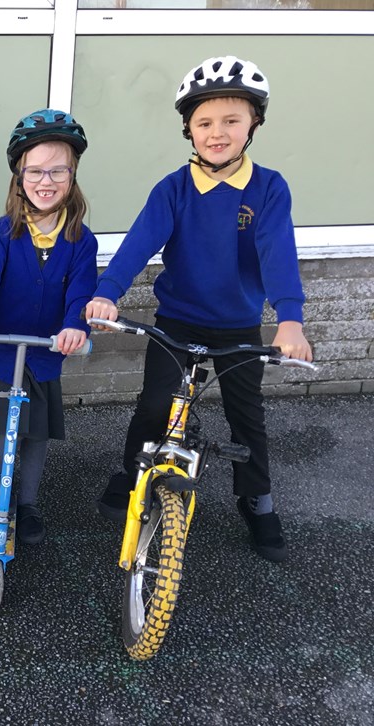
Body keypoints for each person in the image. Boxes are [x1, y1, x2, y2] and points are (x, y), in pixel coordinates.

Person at [85, 56, 313, 562]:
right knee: (154, 403)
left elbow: (278, 253)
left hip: (237, 323)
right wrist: (107, 291)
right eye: (205, 122)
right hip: (179, 319)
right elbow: (137, 244)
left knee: (246, 415)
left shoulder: (268, 188)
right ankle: (133, 474)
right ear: (188, 128)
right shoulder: (174, 189)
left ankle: (256, 499)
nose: (217, 132)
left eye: (232, 120)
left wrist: (290, 318)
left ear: (253, 124)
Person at [0, 109, 98, 545]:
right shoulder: (2, 235)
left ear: (72, 176)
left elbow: (81, 292)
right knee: (7, 430)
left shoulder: (80, 239)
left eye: (58, 170)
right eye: (35, 170)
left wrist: (76, 326)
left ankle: (29, 501)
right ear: (19, 176)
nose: (46, 180)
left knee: (36, 434)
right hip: (3, 351)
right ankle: (2, 487)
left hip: (46, 353)